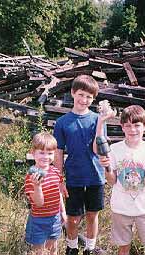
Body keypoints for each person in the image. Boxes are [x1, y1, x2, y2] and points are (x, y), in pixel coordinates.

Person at [53, 75, 112, 255]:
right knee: (73, 218)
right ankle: (71, 247)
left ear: (93, 99)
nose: (84, 100)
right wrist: (60, 179)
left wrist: (101, 122)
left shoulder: (97, 119)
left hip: (95, 176)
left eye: (88, 97)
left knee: (92, 215)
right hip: (74, 176)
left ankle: (90, 248)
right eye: (81, 94)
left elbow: (97, 149)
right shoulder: (62, 122)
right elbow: (58, 153)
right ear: (72, 93)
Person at [99, 105, 145, 255]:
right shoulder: (114, 149)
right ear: (122, 127)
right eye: (128, 126)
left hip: (144, 208)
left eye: (137, 125)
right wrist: (106, 168)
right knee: (123, 247)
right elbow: (112, 181)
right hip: (120, 208)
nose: (133, 130)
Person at [24, 132, 67, 255]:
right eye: (41, 152)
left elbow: (58, 193)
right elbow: (39, 203)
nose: (46, 157)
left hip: (54, 218)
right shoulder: (31, 176)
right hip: (38, 220)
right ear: (33, 153)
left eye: (50, 153)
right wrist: (37, 186)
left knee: (53, 248)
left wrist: (62, 211)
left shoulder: (55, 172)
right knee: (39, 251)